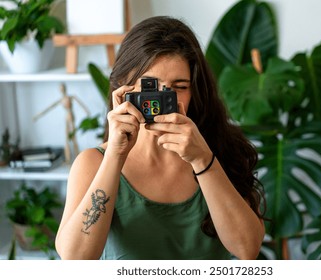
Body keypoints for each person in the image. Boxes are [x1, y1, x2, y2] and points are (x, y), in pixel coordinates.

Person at [55, 16, 266, 260]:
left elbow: (247, 249)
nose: (166, 100)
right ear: (124, 88)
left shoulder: (223, 149)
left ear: (195, 90)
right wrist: (115, 155)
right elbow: (75, 259)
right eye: (151, 86)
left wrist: (203, 160)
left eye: (180, 86)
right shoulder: (93, 163)